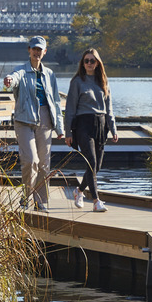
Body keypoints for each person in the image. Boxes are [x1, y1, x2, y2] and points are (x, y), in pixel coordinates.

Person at [3, 36, 63, 211]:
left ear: (45, 52)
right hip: (24, 120)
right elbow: (14, 77)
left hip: (45, 119)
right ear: (29, 50)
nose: (37, 52)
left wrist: (59, 127)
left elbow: (56, 102)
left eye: (40, 49)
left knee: (44, 164)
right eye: (34, 49)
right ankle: (26, 196)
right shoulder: (21, 70)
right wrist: (9, 80)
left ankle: (40, 201)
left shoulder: (50, 74)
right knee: (31, 160)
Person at [64, 48, 118, 212]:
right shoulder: (77, 82)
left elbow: (109, 109)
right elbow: (70, 109)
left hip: (101, 125)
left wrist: (113, 128)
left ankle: (79, 191)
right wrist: (68, 133)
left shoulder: (103, 81)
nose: (89, 63)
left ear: (97, 63)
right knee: (92, 162)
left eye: (92, 61)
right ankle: (96, 201)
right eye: (86, 60)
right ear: (82, 63)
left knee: (97, 166)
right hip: (83, 125)